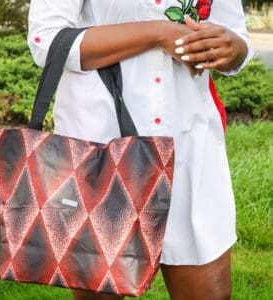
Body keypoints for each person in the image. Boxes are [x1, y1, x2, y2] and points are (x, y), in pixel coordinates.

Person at [27, 1, 253, 299]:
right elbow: (46, 39)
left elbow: (237, 39)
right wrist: (158, 32)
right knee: (100, 291)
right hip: (101, 143)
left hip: (188, 144)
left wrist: (231, 48)